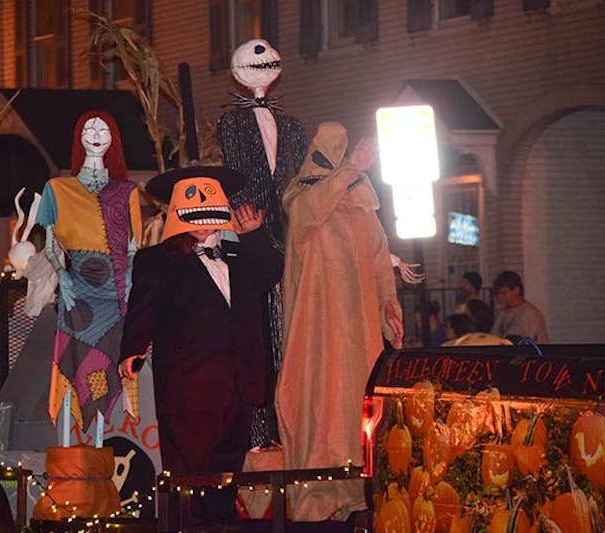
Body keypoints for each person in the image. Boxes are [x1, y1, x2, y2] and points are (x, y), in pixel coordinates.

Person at [118, 166, 283, 525]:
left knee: (226, 480)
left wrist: (254, 235)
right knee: (191, 482)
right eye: (193, 213)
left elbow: (270, 276)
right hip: (189, 389)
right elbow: (142, 309)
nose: (203, 222)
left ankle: (222, 525)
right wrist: (133, 348)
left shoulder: (237, 255)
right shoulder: (158, 260)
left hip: (239, 386)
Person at [275, 122, 403, 521]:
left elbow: (380, 260)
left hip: (360, 330)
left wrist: (389, 308)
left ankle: (357, 491)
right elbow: (305, 216)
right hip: (317, 332)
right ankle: (317, 498)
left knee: (358, 406)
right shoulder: (303, 197)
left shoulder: (364, 204)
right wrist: (350, 169)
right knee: (320, 403)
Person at [217, 38, 308, 447]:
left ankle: (290, 430)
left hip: (288, 233)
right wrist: (242, 217)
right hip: (252, 232)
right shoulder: (232, 124)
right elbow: (234, 169)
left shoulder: (291, 127)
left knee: (288, 333)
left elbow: (303, 179)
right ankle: (259, 435)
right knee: (258, 337)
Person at [36, 110, 143, 433]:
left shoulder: (127, 192)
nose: (96, 134)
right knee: (78, 368)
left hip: (116, 297)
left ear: (113, 140)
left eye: (103, 130)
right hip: (78, 294)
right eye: (88, 129)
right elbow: (51, 244)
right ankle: (77, 453)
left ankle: (102, 447)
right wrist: (63, 278)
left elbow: (136, 246)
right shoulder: (57, 189)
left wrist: (129, 283)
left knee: (109, 367)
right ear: (79, 139)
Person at [491, 270, 549, 343]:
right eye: (497, 294)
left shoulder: (530, 314)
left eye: (504, 293)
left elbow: (537, 344)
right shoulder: (501, 313)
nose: (499, 297)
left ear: (516, 290)